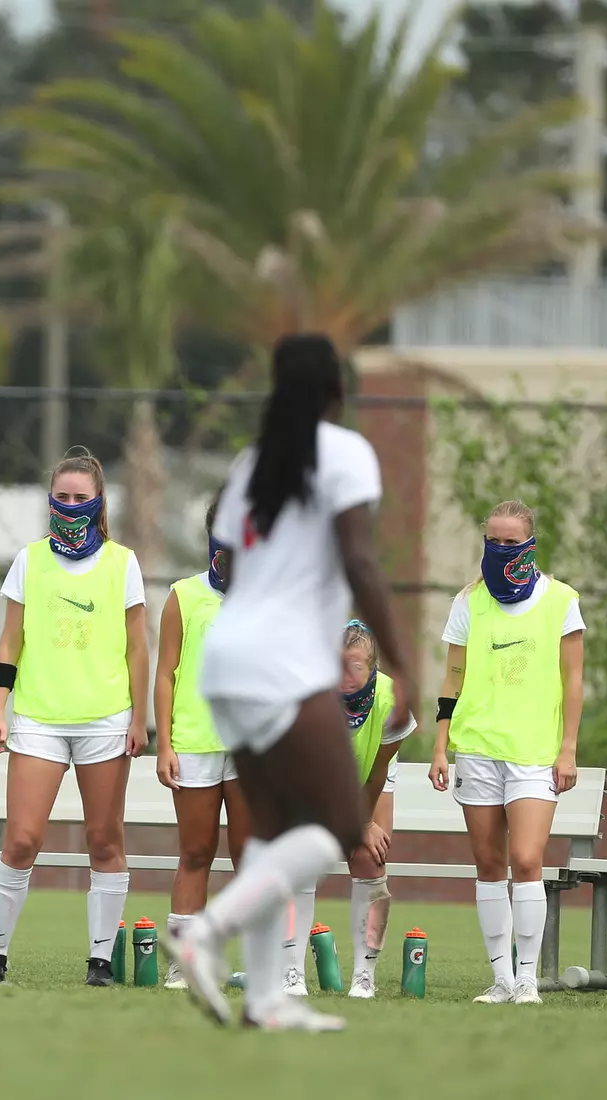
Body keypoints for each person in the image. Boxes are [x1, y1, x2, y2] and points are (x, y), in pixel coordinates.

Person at [162, 333, 412, 1033]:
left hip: (230, 658)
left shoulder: (249, 463)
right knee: (336, 824)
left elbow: (235, 571)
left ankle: (268, 998)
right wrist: (405, 661)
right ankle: (204, 930)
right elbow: (362, 560)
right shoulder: (346, 451)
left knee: (271, 832)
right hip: (282, 663)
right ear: (339, 391)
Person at [0, 449, 148, 986]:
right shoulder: (30, 560)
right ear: (51, 500)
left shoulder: (123, 562)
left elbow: (140, 651)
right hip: (37, 719)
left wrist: (140, 720)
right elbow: (10, 640)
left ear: (98, 503)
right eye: (62, 497)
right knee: (21, 839)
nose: (71, 506)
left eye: (81, 498)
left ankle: (99, 963)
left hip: (105, 720)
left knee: (104, 840)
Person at [429, 499, 583, 1007]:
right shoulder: (468, 601)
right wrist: (440, 744)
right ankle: (501, 979)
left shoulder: (562, 601)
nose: (499, 549)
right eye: (491, 540)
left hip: (535, 752)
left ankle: (527, 979)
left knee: (526, 859)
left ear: (530, 544)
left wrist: (568, 749)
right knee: (490, 863)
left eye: (510, 542)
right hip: (476, 747)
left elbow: (573, 679)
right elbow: (452, 678)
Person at [152, 494, 249, 991]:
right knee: (196, 852)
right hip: (194, 743)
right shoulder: (184, 596)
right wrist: (164, 743)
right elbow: (166, 672)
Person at [334, 619, 413, 1000]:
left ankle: (364, 974)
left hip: (367, 779)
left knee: (371, 858)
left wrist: (362, 824)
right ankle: (289, 972)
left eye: (357, 666)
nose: (346, 675)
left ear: (373, 669)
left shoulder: (388, 701)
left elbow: (376, 776)